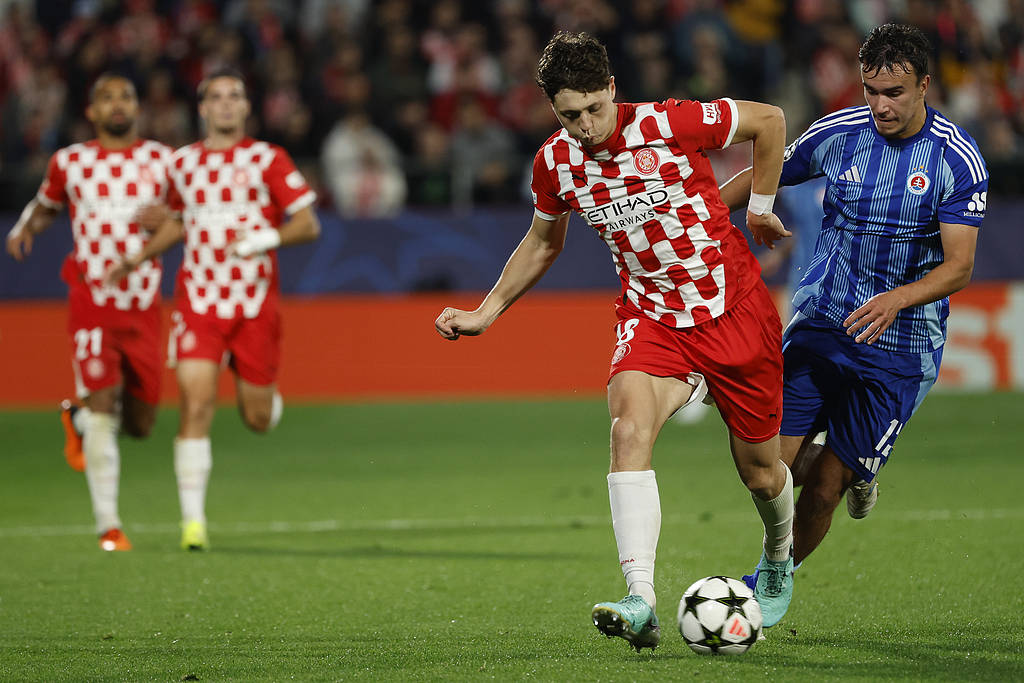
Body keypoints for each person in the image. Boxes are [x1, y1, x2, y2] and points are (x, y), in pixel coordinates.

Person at [434, 31, 796, 649]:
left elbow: (770, 120)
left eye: (593, 108)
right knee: (627, 430)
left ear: (611, 89)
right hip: (652, 318)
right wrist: (487, 311)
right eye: (568, 115)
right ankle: (640, 599)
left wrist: (759, 206)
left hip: (732, 310)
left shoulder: (668, 122)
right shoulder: (555, 163)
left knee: (761, 474)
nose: (584, 126)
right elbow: (543, 242)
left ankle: (779, 554)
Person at [718, 24, 987, 578]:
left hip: (901, 345)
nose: (881, 105)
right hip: (823, 323)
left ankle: (769, 584)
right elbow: (768, 170)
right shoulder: (840, 133)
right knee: (768, 470)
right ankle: (847, 463)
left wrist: (897, 300)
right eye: (871, 91)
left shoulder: (956, 159)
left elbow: (959, 266)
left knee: (824, 490)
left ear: (924, 85)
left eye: (895, 93)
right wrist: (697, 219)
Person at [105, 68, 320, 551]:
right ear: (202, 109)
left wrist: (263, 238)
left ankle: (266, 403)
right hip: (198, 303)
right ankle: (193, 524)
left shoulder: (268, 159)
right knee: (195, 404)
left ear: (246, 107)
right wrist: (138, 257)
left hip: (253, 305)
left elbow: (308, 224)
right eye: (216, 97)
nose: (225, 103)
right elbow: (179, 221)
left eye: (234, 96)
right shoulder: (182, 164)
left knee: (256, 418)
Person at [5, 73, 174, 552]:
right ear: (91, 112)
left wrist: (170, 219)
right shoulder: (71, 162)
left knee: (140, 425)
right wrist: (24, 227)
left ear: (137, 107)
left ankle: (79, 422)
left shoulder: (164, 161)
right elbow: (46, 204)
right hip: (92, 300)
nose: (117, 105)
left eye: (126, 96)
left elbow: (188, 216)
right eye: (107, 98)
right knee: (103, 406)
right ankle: (109, 527)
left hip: (143, 304)